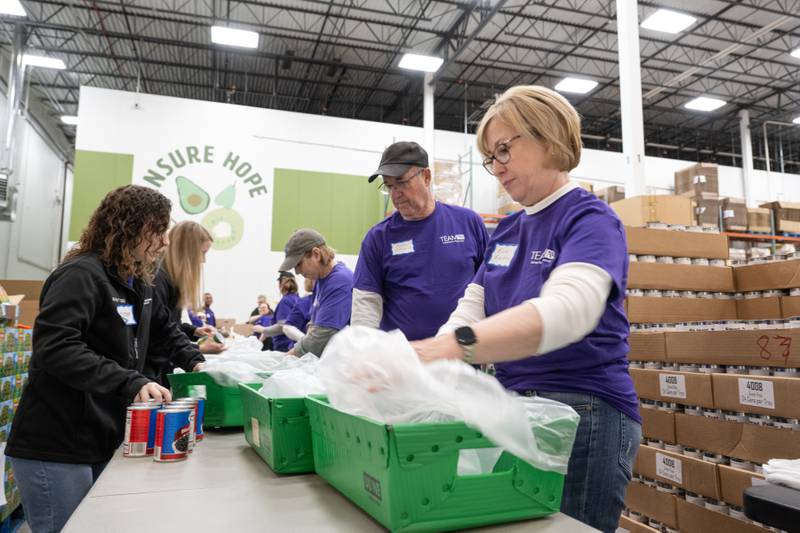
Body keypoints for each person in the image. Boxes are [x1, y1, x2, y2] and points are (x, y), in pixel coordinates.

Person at [410, 86, 640, 533]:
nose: (496, 168)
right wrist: (426, 356)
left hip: (584, 413)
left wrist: (455, 349)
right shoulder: (509, 228)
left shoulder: (589, 219)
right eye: (489, 157)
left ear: (548, 136)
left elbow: (567, 311)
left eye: (503, 150)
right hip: (517, 409)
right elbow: (472, 305)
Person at [5, 185, 204, 533]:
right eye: (156, 232)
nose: (163, 243)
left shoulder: (137, 283)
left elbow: (163, 328)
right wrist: (131, 380)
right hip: (58, 442)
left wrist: (197, 361)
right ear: (130, 227)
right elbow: (57, 347)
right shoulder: (81, 275)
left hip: (98, 435)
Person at [352, 141, 488, 340]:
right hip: (404, 361)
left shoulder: (468, 223)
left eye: (401, 182)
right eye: (389, 186)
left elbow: (488, 283)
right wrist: (363, 351)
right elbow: (366, 304)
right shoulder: (378, 238)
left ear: (426, 176)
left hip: (462, 354)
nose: (395, 194)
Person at [146, 221, 223, 385]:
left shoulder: (169, 279)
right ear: (187, 250)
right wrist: (196, 354)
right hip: (150, 372)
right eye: (202, 253)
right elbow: (159, 330)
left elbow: (170, 323)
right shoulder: (158, 279)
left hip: (160, 367)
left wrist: (194, 330)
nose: (203, 260)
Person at [279, 229, 352, 356]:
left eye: (299, 264)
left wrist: (286, 360)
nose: (296, 272)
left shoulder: (339, 281)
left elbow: (321, 337)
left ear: (316, 254)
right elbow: (314, 326)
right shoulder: (321, 281)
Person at [253, 272, 300, 352]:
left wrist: (263, 330)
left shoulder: (285, 301)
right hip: (294, 344)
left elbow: (282, 327)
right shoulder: (297, 299)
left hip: (284, 346)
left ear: (280, 284)